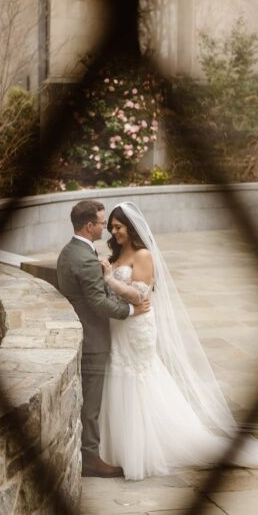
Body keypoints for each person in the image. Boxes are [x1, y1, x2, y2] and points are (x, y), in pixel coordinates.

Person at [97, 201, 258, 481]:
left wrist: (109, 279)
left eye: (118, 227)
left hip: (137, 329)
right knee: (120, 378)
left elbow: (140, 296)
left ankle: (142, 451)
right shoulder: (116, 255)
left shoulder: (143, 255)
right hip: (120, 325)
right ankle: (118, 449)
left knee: (136, 378)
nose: (113, 232)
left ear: (132, 227)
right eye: (111, 227)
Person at [56, 199, 151, 478]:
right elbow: (98, 302)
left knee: (97, 399)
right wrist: (132, 310)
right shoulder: (84, 257)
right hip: (94, 337)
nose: (106, 229)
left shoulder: (71, 251)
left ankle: (97, 451)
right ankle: (90, 459)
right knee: (92, 404)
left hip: (108, 334)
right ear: (89, 226)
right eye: (101, 223)